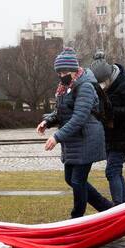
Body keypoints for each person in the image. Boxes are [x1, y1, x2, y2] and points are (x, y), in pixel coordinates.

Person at [39, 47, 110, 219]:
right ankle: (106, 207)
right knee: (71, 179)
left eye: (64, 71)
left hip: (87, 138)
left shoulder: (84, 85)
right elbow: (62, 112)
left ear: (73, 70)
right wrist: (47, 121)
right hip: (75, 141)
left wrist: (56, 137)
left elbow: (79, 117)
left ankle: (77, 218)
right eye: (59, 72)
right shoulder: (65, 88)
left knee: (78, 180)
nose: (61, 75)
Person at [89, 53, 125, 205]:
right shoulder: (106, 87)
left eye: (102, 83)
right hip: (112, 135)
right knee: (116, 170)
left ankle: (118, 207)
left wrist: (111, 112)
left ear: (109, 77)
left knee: (112, 171)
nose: (101, 86)